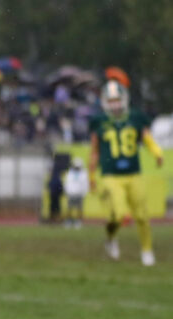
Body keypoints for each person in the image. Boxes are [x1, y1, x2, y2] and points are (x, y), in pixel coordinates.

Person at [88, 80, 163, 265]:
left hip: (133, 173)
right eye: (111, 100)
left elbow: (147, 138)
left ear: (125, 99)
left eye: (117, 99)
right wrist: (91, 176)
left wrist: (157, 153)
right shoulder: (99, 121)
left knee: (142, 216)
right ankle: (111, 238)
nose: (115, 104)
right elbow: (95, 150)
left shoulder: (136, 117)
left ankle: (147, 250)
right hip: (111, 175)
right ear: (105, 101)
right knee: (119, 215)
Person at [63, 157, 88, 229]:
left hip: (79, 193)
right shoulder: (70, 173)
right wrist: (67, 191)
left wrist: (84, 193)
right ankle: (68, 221)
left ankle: (78, 222)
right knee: (69, 209)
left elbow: (85, 184)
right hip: (71, 193)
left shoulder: (83, 173)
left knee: (79, 209)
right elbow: (67, 183)